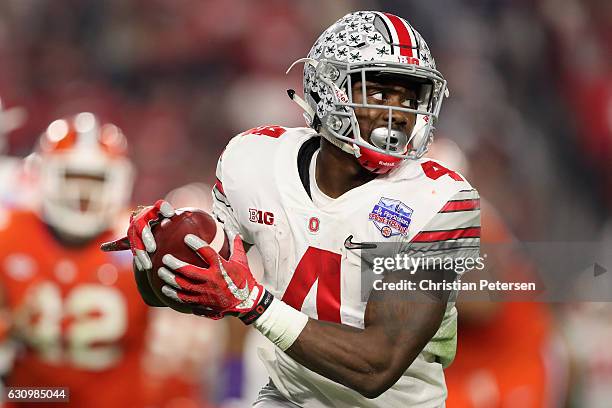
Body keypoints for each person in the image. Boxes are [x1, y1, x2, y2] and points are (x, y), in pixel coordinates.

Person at [107, 11, 481, 407]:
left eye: (410, 98)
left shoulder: (439, 199)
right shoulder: (255, 160)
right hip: (289, 398)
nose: (400, 114)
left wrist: (254, 303)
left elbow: (377, 366)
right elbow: (188, 290)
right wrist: (156, 252)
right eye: (381, 93)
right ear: (329, 88)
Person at [0, 113, 204, 408]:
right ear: (44, 176)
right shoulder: (11, 234)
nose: (83, 193)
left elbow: (179, 361)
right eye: (72, 177)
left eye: (96, 180)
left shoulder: (145, 244)